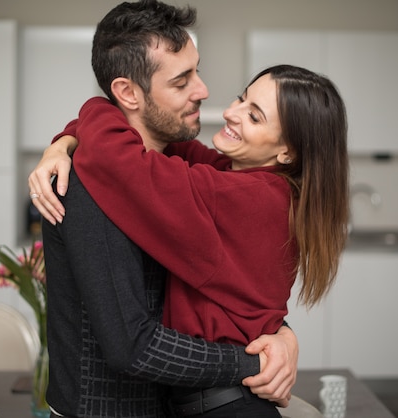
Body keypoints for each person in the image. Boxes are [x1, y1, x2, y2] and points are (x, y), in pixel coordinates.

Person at [28, 1, 299, 417]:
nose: (204, 91)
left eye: (197, 70)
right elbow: (132, 346)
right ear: (128, 93)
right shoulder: (83, 185)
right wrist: (256, 362)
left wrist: (280, 333)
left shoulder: (180, 168)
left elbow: (227, 287)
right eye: (181, 81)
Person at [43, 63, 349, 417]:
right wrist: (66, 140)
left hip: (225, 403)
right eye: (241, 98)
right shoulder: (237, 177)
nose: (230, 113)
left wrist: (100, 105)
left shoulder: (244, 198)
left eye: (254, 116)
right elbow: (165, 144)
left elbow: (122, 162)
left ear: (288, 153)